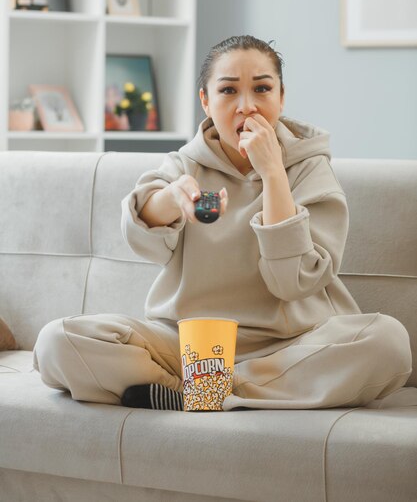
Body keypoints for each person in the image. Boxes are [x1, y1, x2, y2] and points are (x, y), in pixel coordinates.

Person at [33, 35, 412, 411]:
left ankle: (209, 393)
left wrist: (273, 173)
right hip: (184, 344)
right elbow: (143, 235)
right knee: (58, 341)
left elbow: (295, 282)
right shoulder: (184, 164)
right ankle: (186, 390)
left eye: (262, 88)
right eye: (228, 91)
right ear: (206, 101)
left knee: (387, 342)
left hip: (292, 345)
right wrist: (171, 200)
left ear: (281, 97)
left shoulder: (310, 169)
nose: (247, 107)